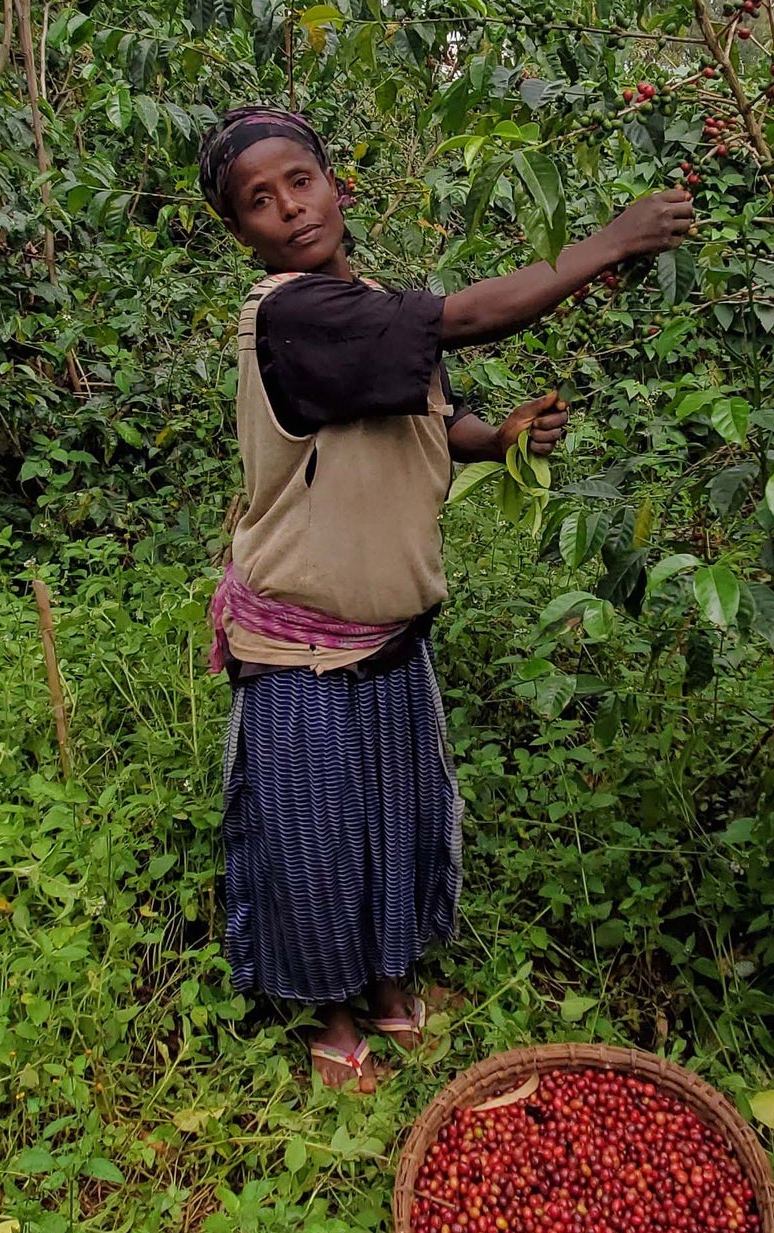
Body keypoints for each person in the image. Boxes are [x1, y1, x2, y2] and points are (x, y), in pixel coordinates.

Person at [197, 105, 693, 1090]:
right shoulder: (290, 314)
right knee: (313, 836)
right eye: (258, 202)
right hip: (302, 639)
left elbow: (425, 410)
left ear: (336, 181)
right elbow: (458, 319)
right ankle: (328, 1016)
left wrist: (494, 434)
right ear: (239, 232)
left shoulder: (366, 304)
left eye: (299, 180)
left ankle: (386, 984)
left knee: (391, 817)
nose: (289, 210)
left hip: (385, 629)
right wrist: (607, 243)